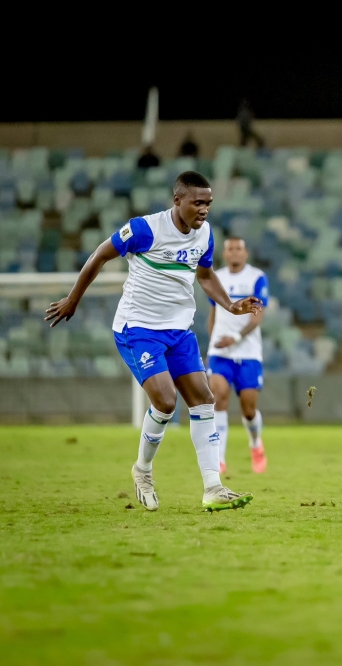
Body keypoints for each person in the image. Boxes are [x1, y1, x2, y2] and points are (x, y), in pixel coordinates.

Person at [45, 171, 261, 513]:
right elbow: (100, 254)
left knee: (204, 400)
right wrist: (74, 298)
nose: (204, 209)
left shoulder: (205, 234)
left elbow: (204, 275)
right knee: (165, 400)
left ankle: (213, 488)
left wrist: (231, 305)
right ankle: (142, 471)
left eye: (208, 203)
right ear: (177, 201)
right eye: (197, 202)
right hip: (138, 328)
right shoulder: (146, 229)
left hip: (179, 331)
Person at [206, 237, 269, 474]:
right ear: (225, 254)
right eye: (230, 249)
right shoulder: (216, 277)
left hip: (249, 352)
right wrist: (213, 341)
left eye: (238, 249)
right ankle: (219, 459)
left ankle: (255, 444)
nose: (234, 253)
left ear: (246, 253)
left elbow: (258, 315)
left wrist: (237, 338)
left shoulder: (256, 278)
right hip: (221, 353)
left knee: (248, 409)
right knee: (219, 399)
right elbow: (213, 313)